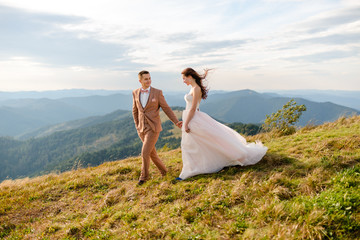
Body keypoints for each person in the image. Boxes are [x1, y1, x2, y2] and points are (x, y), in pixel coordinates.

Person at [176, 68, 267, 180]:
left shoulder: (196, 89)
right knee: (192, 144)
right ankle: (192, 168)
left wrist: (186, 123)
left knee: (191, 144)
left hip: (193, 118)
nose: (183, 81)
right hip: (192, 118)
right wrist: (185, 121)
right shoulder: (193, 88)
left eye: (184, 78)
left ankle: (191, 170)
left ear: (190, 76)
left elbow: (193, 108)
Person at [132, 70, 182, 185]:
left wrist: (176, 122)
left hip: (153, 128)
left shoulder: (157, 93)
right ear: (140, 81)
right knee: (152, 153)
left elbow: (167, 108)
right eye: (146, 79)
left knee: (144, 153)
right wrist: (137, 126)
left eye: (149, 78)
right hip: (141, 129)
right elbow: (135, 111)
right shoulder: (135, 92)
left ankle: (144, 178)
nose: (148, 80)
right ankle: (165, 172)